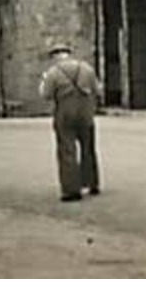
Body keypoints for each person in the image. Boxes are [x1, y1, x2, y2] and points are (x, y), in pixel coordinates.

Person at [38, 41, 103, 201]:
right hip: (86, 113)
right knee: (88, 148)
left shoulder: (53, 73)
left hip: (65, 114)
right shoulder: (86, 68)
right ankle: (91, 183)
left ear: (55, 56)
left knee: (67, 150)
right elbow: (98, 90)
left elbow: (45, 95)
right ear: (69, 53)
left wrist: (44, 80)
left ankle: (71, 190)